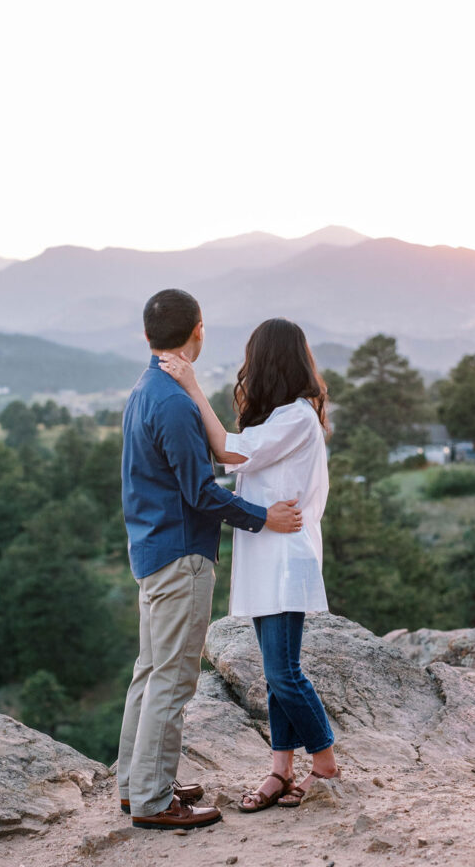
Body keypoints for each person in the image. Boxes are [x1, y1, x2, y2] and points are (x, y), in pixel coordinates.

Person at [117, 290, 304, 831]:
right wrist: (262, 516)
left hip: (151, 550)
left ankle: (136, 785)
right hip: (180, 556)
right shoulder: (174, 401)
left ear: (147, 335)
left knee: (149, 673)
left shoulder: (146, 389)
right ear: (199, 329)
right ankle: (153, 800)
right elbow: (201, 493)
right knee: (173, 679)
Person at [159, 317, 340, 812]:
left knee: (284, 673)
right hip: (266, 557)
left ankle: (323, 761)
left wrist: (191, 385)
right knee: (275, 672)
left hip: (285, 560)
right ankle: (280, 769)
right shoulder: (278, 418)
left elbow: (229, 452)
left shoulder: (298, 417)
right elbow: (240, 455)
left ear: (266, 362)